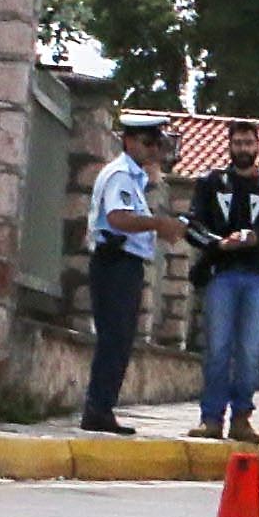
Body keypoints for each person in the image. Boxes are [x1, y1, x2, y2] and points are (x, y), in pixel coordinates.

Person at [186, 120, 259, 442]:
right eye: (238, 143)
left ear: (258, 145)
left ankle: (242, 418)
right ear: (229, 145)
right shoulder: (211, 183)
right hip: (221, 276)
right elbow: (192, 226)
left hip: (258, 278)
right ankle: (211, 419)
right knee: (218, 348)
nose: (243, 149)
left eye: (249, 143)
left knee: (249, 350)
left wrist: (255, 240)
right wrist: (217, 243)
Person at [79, 117, 184, 434]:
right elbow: (118, 217)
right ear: (129, 141)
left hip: (125, 263)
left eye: (157, 143)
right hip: (115, 262)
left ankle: (102, 407)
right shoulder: (121, 175)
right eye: (148, 142)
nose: (154, 150)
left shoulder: (133, 178)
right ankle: (97, 408)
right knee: (114, 338)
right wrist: (157, 225)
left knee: (120, 338)